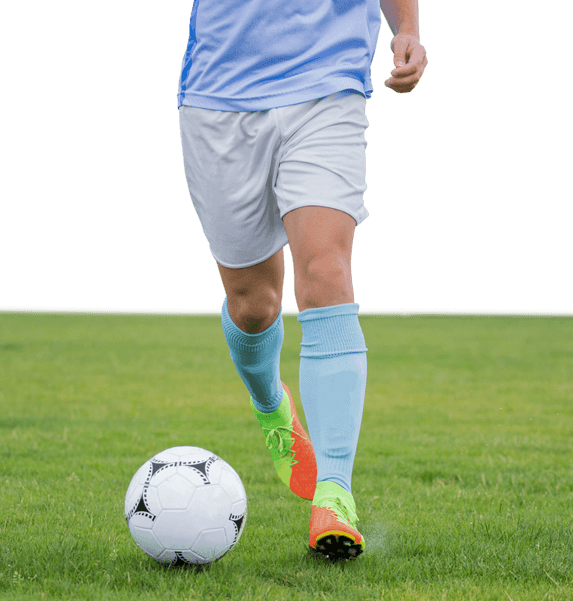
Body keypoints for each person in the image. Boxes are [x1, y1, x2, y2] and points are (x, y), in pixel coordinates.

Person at [177, 0, 427, 561]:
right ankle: (272, 404)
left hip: (328, 86)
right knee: (253, 307)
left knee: (325, 271)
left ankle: (334, 495)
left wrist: (406, 29)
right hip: (220, 96)